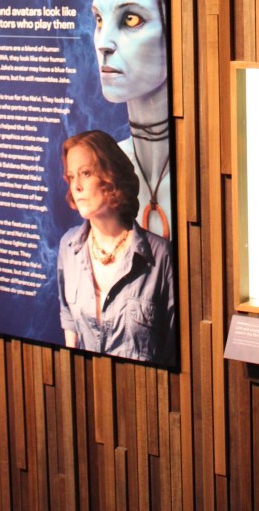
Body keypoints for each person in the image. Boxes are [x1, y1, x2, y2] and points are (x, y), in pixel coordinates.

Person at [57, 130, 176, 363]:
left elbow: (172, 346)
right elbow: (69, 320)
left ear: (111, 176)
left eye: (85, 173)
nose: (76, 186)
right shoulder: (68, 248)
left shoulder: (159, 257)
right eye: (71, 177)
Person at [92, 0, 172, 239]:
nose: (103, 43)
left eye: (130, 18)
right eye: (99, 19)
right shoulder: (103, 172)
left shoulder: (205, 170)